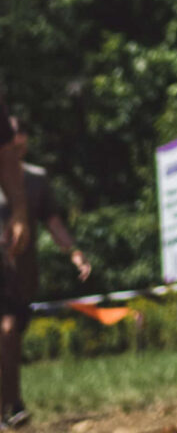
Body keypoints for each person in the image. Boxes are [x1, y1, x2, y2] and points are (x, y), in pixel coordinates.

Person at [0, 98, 93, 432]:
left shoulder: (35, 180)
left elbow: (53, 222)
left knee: (9, 333)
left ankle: (11, 404)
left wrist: (73, 252)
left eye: (14, 132)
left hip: (16, 276)